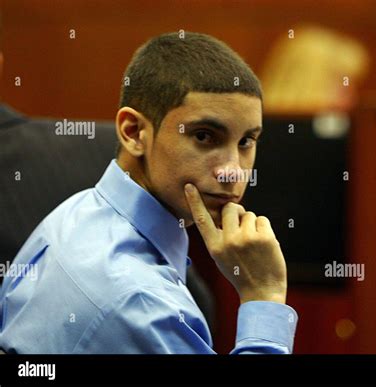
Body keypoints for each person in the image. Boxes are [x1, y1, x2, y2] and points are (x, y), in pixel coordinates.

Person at [0, 32, 298, 354]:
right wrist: (263, 294)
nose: (233, 170)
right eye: (204, 136)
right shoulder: (139, 302)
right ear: (133, 133)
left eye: (246, 142)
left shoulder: (72, 213)